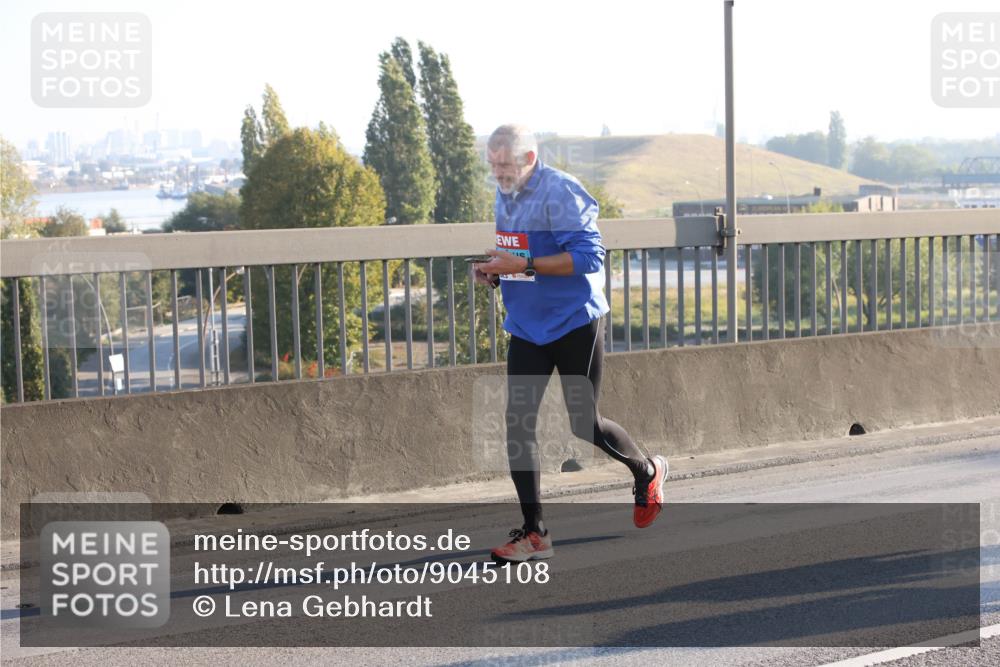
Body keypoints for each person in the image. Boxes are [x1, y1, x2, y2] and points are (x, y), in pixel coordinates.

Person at [473, 124, 668, 564]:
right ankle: (535, 532)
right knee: (517, 423)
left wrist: (522, 261)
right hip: (526, 325)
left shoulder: (562, 192)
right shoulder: (507, 192)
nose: (497, 173)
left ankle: (647, 470)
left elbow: (588, 257)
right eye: (492, 164)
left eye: (503, 164)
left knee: (584, 424)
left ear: (528, 159)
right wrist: (494, 269)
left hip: (573, 322)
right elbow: (521, 256)